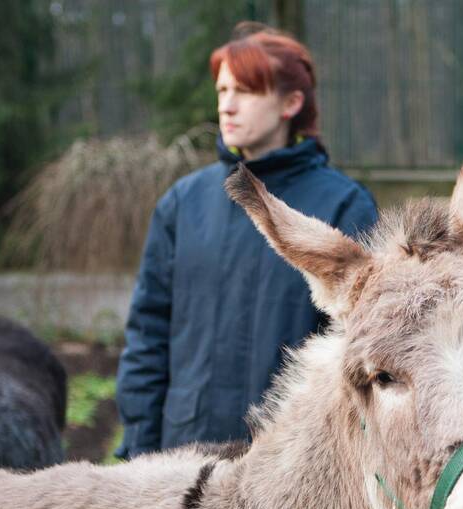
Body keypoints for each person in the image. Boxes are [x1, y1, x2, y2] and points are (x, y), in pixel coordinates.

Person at [115, 29, 377, 458]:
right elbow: (148, 336)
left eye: (246, 91)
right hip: (183, 458)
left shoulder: (343, 205)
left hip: (290, 464)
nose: (227, 104)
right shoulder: (183, 203)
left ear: (290, 103)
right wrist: (138, 455)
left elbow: (360, 350)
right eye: (222, 89)